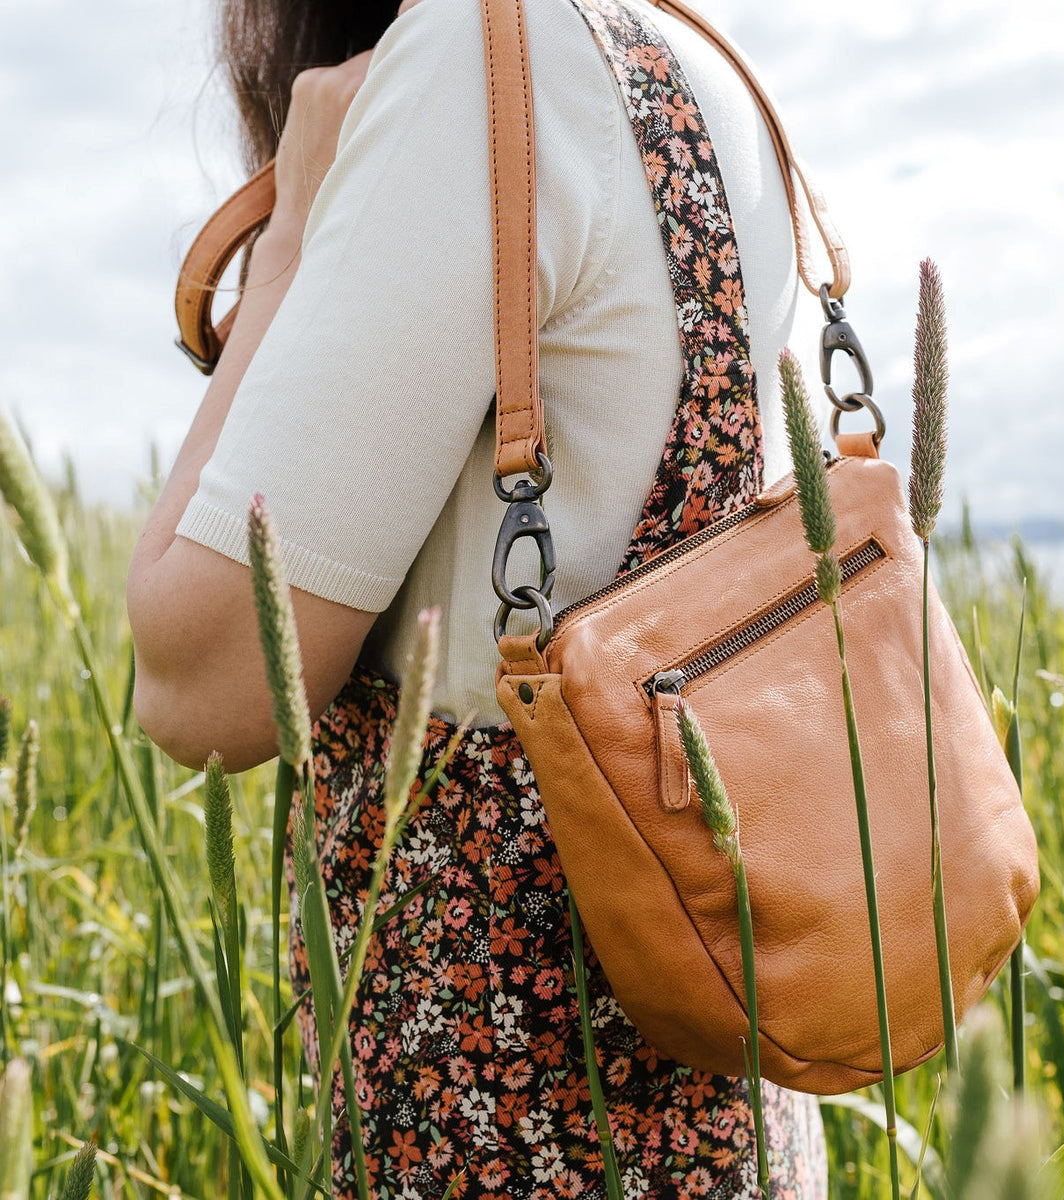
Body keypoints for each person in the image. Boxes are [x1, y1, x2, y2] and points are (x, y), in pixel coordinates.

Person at [127, 0, 829, 1194]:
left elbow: (207, 683)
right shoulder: (699, 56)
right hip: (731, 1121)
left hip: (497, 1123)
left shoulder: (472, 62)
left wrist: (293, 238)